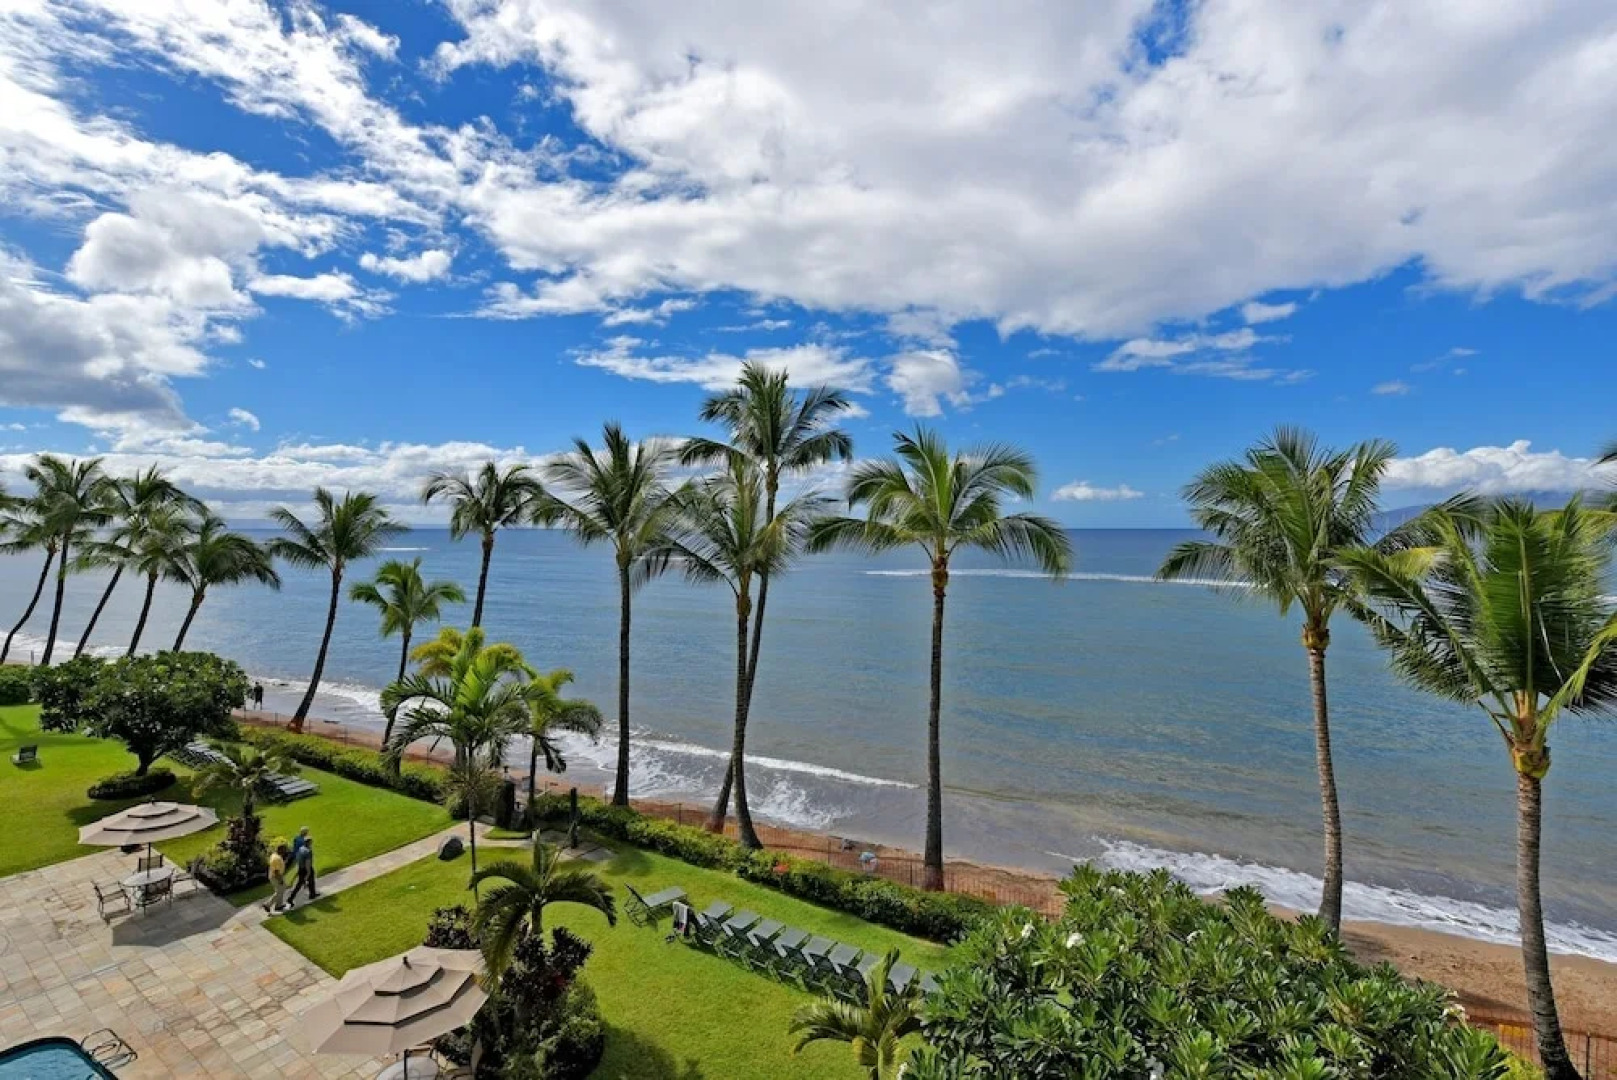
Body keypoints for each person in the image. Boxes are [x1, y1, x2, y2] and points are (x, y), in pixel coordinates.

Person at [287, 826, 318, 903]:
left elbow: (296, 853)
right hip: (306, 868)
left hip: (301, 867)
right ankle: (312, 894)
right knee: (311, 880)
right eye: (311, 841)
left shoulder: (301, 848)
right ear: (309, 842)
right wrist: (308, 872)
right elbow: (308, 862)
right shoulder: (308, 851)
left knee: (299, 884)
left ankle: (291, 897)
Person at [264, 843, 290, 913]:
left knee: (281, 889)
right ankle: (267, 905)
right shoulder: (277, 858)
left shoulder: (275, 855)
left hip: (275, 876)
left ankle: (279, 905)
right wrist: (280, 880)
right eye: (284, 849)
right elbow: (276, 872)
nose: (285, 851)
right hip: (275, 877)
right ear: (280, 850)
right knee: (279, 891)